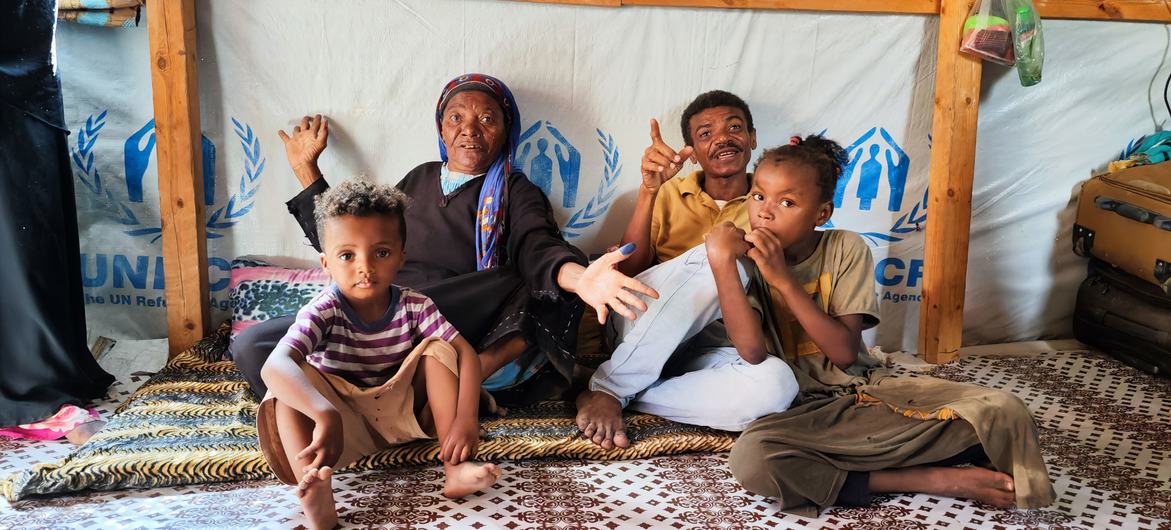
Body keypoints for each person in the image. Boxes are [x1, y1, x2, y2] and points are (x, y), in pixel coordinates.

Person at [231, 74, 656, 407]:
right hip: (381, 307)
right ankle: (386, 395)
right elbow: (352, 236)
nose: (470, 130)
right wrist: (308, 172)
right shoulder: (418, 177)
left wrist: (579, 277)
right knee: (253, 347)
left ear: (506, 132)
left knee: (528, 278)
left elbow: (537, 244)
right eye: (457, 117)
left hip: (450, 316)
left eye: (487, 119)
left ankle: (419, 385)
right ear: (441, 127)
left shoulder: (516, 189)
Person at [722, 136, 1055, 515]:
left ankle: (866, 465)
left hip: (866, 397)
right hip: (802, 414)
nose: (765, 213)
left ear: (821, 213)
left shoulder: (846, 247)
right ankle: (927, 478)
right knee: (751, 458)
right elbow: (751, 352)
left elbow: (845, 354)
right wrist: (722, 265)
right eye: (758, 196)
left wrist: (784, 280)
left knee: (1004, 412)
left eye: (787, 202)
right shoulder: (744, 262)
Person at [257, 180, 500, 530]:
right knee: (285, 388)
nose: (364, 267)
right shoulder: (323, 311)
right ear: (326, 263)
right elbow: (274, 364)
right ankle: (318, 494)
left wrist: (466, 419)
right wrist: (324, 413)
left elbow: (466, 355)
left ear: (402, 256)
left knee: (439, 349)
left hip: (405, 417)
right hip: (341, 430)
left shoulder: (415, 305)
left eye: (381, 253)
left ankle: (455, 468)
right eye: (347, 255)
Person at [614, 90, 758, 278]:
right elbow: (629, 270)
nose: (723, 138)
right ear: (692, 153)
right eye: (706, 133)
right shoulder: (668, 192)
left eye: (734, 127)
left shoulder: (771, 197)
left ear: (752, 138)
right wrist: (648, 192)